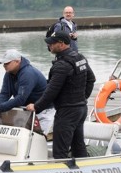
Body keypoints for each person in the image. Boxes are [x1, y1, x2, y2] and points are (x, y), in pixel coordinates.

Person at [26, 30, 96, 159]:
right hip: (80, 109)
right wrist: (82, 98)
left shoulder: (61, 65)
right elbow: (91, 79)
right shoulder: (80, 58)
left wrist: (36, 107)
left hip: (67, 111)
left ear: (62, 43)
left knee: (60, 151)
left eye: (52, 43)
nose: (50, 46)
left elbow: (51, 91)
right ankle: (84, 171)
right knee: (78, 145)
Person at [0, 49, 54, 133]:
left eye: (7, 63)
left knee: (38, 137)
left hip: (43, 110)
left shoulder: (28, 73)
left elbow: (20, 99)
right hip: (27, 110)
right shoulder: (9, 73)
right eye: (3, 63)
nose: (4, 66)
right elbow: (5, 93)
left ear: (17, 61)